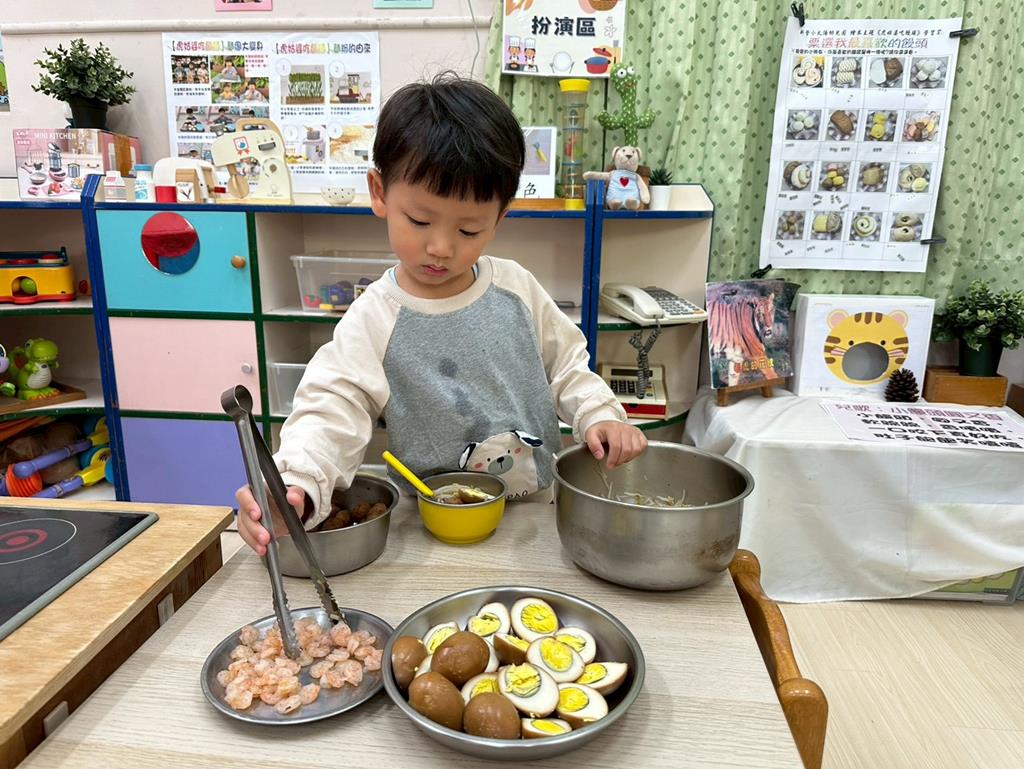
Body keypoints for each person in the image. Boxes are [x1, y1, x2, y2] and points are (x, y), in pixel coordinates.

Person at [236, 73, 647, 555]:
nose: (440, 247)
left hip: (534, 514)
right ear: (379, 192)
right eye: (419, 220)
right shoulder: (374, 317)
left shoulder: (515, 288)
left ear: (500, 217)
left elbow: (568, 366)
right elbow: (331, 406)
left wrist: (599, 414)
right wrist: (297, 482)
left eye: (469, 230)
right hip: (427, 525)